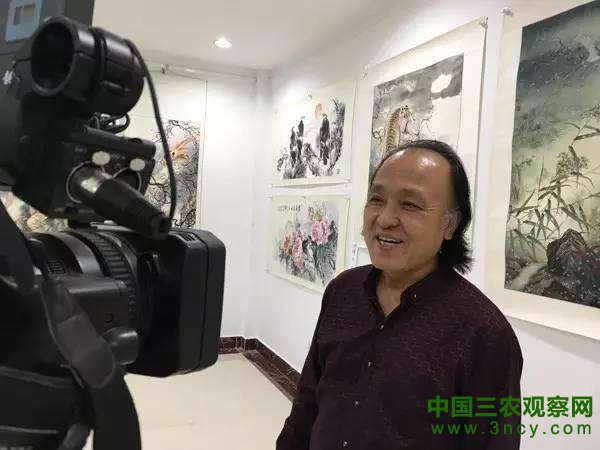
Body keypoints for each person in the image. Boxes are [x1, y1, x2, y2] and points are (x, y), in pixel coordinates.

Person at [276, 140, 523, 450]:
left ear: (450, 225)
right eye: (376, 199)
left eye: (410, 205)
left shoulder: (485, 334)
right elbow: (308, 401)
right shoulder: (343, 290)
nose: (385, 218)